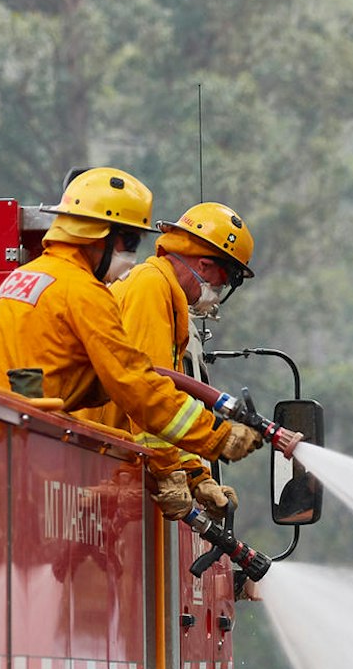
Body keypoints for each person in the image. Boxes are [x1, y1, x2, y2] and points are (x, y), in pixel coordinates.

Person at [0, 167, 269, 517]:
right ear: (98, 234)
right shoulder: (84, 291)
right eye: (129, 241)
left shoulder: (28, 276)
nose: (132, 254)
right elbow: (137, 386)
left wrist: (193, 473)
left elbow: (95, 380)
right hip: (36, 460)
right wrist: (218, 437)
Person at [83, 201, 289, 514]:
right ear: (205, 265)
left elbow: (168, 407)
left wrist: (196, 476)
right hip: (97, 466)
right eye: (226, 278)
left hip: (104, 464)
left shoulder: (162, 292)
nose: (218, 290)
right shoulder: (151, 286)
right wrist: (168, 472)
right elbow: (147, 395)